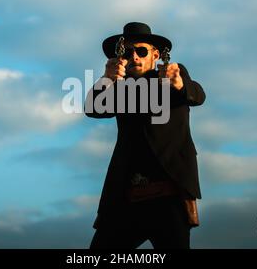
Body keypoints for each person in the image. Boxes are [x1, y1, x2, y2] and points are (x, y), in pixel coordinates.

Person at [85, 22, 206, 249]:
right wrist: (106, 79)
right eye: (128, 52)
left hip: (169, 196)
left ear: (156, 54)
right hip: (124, 200)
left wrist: (179, 83)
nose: (135, 57)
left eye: (141, 51)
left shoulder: (170, 76)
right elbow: (93, 109)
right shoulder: (118, 88)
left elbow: (198, 95)